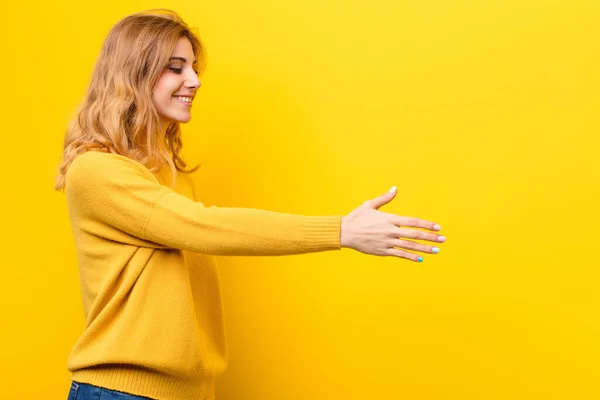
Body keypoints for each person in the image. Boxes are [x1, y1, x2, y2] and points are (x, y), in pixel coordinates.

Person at [55, 9, 447, 400]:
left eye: (193, 67)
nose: (194, 81)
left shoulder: (170, 175)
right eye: (176, 68)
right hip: (122, 393)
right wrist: (342, 231)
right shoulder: (95, 171)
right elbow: (201, 227)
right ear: (133, 75)